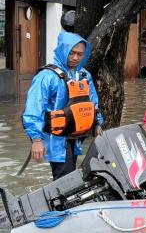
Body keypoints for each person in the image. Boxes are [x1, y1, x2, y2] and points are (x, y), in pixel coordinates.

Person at [22, 18, 104, 180]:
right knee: (65, 180)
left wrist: (97, 123)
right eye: (71, 53)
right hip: (57, 139)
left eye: (80, 54)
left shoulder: (84, 75)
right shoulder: (46, 77)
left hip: (76, 136)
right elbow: (33, 109)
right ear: (62, 50)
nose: (75, 58)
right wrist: (37, 140)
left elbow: (93, 102)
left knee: (73, 177)